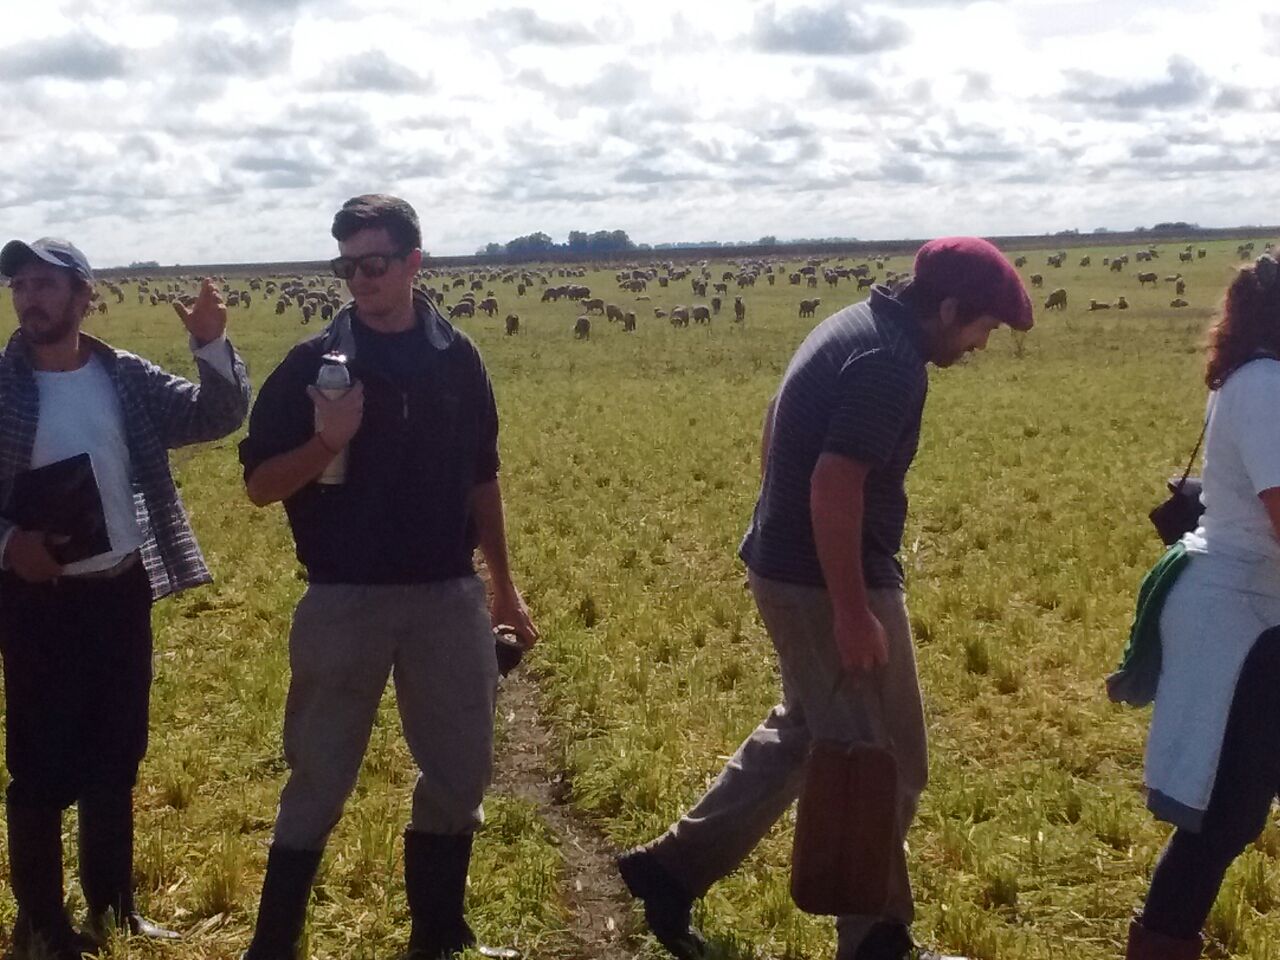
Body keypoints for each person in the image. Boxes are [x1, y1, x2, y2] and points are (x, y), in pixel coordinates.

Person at [616, 237, 1033, 960]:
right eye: (982, 328)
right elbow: (834, 484)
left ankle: (670, 869)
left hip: (794, 563)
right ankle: (875, 940)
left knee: (809, 732)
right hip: (823, 578)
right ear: (949, 307)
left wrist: (774, 522)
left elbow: (778, 418)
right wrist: (848, 609)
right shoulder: (890, 363)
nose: (980, 346)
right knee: (886, 757)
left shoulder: (853, 324)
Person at [237, 194, 537, 960]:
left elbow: (483, 475)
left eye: (374, 264)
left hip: (447, 595)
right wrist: (327, 440)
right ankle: (273, 944)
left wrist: (503, 586)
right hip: (343, 598)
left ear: (414, 263)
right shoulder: (313, 363)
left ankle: (438, 936)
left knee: (459, 770)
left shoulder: (457, 356)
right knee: (319, 773)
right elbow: (260, 484)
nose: (359, 279)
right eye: (346, 265)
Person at [0, 238, 251, 959]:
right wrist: (9, 545)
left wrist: (211, 344)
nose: (30, 299)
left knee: (118, 753)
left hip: (119, 590)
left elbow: (215, 415)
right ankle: (41, 925)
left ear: (85, 296)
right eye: (21, 286)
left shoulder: (123, 377)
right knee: (40, 765)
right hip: (35, 601)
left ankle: (114, 909)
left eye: (46, 285)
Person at [1124, 255, 1280, 959]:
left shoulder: (1259, 381)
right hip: (1242, 620)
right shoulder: (1265, 389)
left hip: (1255, 608)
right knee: (1222, 818)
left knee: (1230, 814)